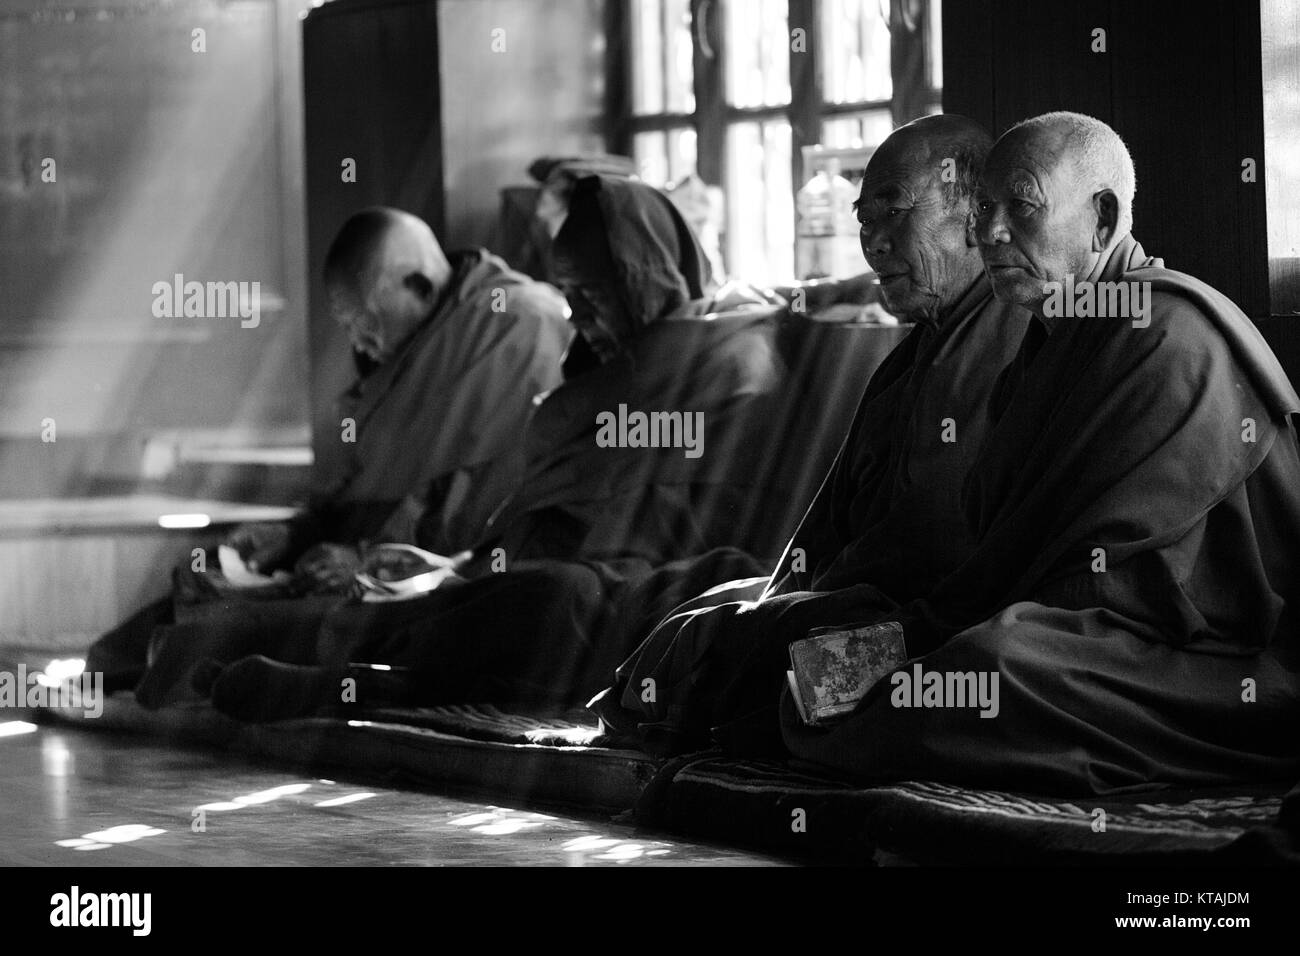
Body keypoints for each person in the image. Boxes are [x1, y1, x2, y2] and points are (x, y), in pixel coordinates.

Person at [781, 112, 1300, 794]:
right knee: (837, 663)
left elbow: (1131, 584)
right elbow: (1000, 552)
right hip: (1076, 627)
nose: (990, 232)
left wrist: (967, 628)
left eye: (1021, 206)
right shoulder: (1046, 350)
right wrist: (919, 630)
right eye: (986, 208)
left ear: (1102, 219)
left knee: (989, 670)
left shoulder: (1168, 337)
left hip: (1205, 651)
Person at [141, 173, 786, 719]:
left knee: (535, 603)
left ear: (652, 274)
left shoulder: (730, 360)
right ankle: (253, 650)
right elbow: (533, 498)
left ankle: (330, 684)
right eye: (574, 298)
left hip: (633, 586)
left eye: (593, 297)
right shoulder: (602, 373)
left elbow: (710, 515)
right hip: (525, 569)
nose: (580, 320)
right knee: (458, 602)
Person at [588, 114, 1031, 753]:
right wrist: (779, 595)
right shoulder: (917, 355)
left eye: (893, 212)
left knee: (763, 651)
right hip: (879, 599)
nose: (873, 244)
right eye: (863, 220)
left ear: (973, 215)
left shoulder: (1012, 337)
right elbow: (836, 525)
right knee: (704, 613)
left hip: (948, 627)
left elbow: (939, 543)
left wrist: (795, 604)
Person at [87, 207, 571, 691]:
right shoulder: (410, 344)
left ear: (418, 286)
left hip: (436, 574)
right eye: (348, 327)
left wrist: (365, 557)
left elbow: (493, 491)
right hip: (353, 560)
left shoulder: (517, 325)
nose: (360, 342)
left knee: (215, 636)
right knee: (184, 602)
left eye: (367, 323)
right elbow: (362, 479)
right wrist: (297, 533)